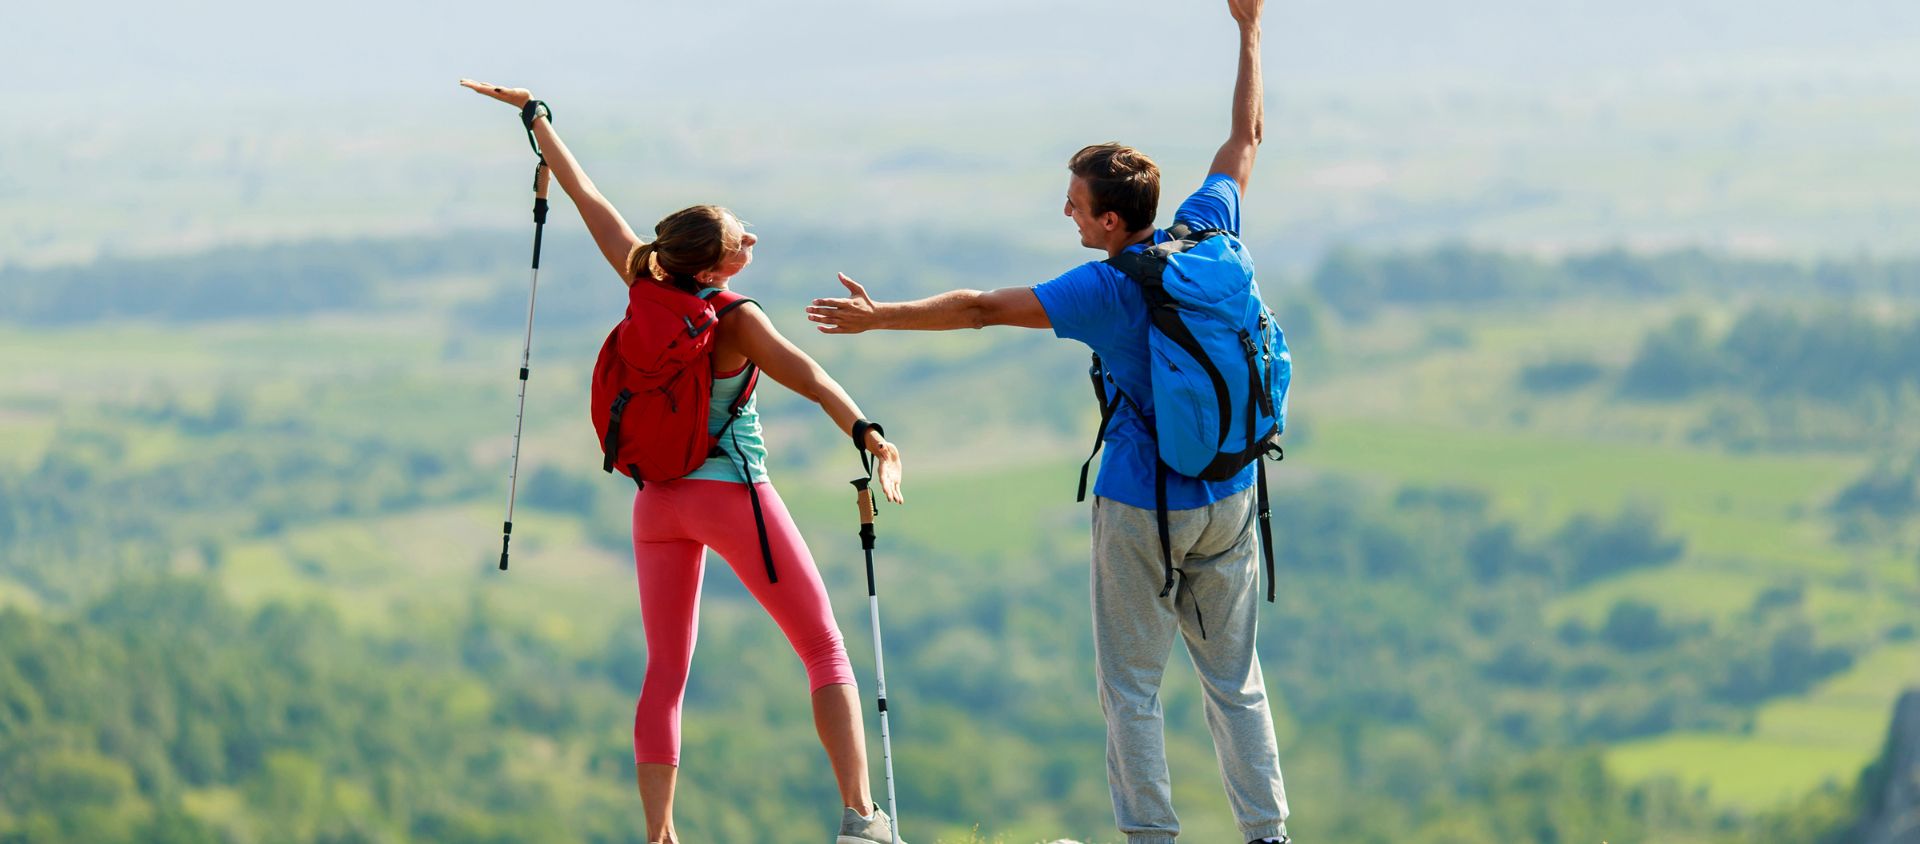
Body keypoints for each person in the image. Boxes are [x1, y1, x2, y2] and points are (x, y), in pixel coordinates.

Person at [800, 1, 1290, 842]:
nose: (1066, 214)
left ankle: (1150, 837)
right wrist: (1249, 28)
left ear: (1110, 219)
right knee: (1235, 682)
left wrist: (879, 319)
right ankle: (1268, 834)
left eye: (1075, 205)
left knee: (1131, 688)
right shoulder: (1209, 230)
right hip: (1236, 490)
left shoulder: (1107, 288)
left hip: (1144, 503)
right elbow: (1244, 140)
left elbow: (983, 308)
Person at [461, 79, 909, 844]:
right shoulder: (737, 320)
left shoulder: (644, 277)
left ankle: (660, 834)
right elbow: (811, 377)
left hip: (656, 503)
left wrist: (539, 121)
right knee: (823, 646)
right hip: (732, 493)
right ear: (713, 269)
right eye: (742, 239)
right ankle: (863, 819)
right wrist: (869, 433)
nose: (753, 242)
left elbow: (586, 195)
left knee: (665, 669)